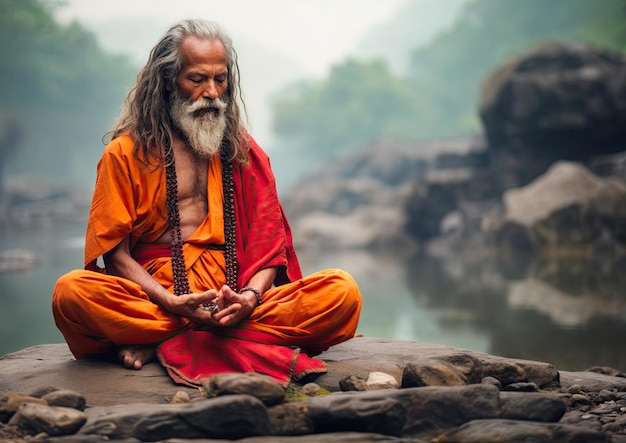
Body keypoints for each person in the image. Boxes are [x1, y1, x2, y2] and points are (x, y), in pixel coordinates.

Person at [51, 19, 362, 386]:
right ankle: (182, 329)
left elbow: (270, 248)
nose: (212, 92)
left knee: (342, 292)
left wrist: (248, 297)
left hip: (235, 298)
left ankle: (158, 337)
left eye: (220, 79)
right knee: (70, 293)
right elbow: (115, 255)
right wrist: (169, 301)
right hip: (154, 297)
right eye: (197, 80)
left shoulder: (243, 152)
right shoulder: (127, 153)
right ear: (169, 82)